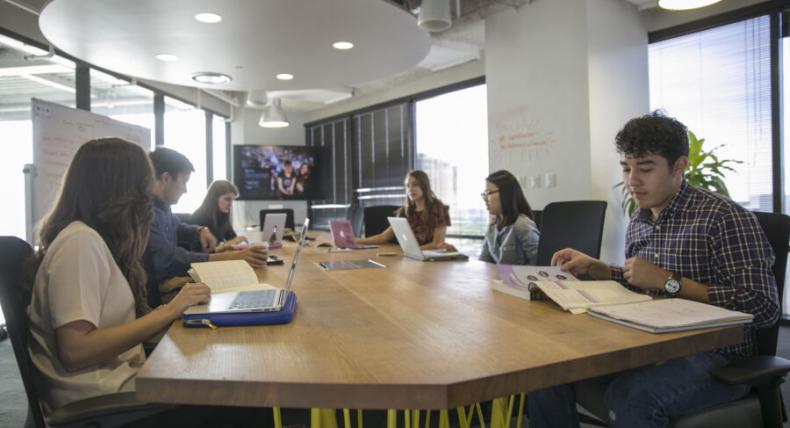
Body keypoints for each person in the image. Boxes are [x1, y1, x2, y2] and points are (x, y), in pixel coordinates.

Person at [527, 111, 779, 428]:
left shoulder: (723, 217)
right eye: (627, 168)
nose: (633, 180)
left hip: (717, 354)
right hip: (648, 343)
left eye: (645, 169)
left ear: (679, 166)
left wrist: (671, 282)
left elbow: (764, 307)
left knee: (631, 397)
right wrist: (602, 269)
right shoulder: (641, 221)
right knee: (544, 373)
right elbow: (643, 283)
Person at [26, 138, 211, 415]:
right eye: (143, 183)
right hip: (102, 403)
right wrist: (169, 310)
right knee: (240, 402)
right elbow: (76, 351)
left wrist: (172, 312)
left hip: (121, 384)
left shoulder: (94, 239)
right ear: (124, 189)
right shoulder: (79, 243)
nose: (148, 195)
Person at [145, 148, 268, 287]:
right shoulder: (145, 212)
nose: (185, 190)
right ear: (166, 178)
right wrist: (231, 257)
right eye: (184, 181)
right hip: (160, 289)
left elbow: (177, 226)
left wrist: (198, 231)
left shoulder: (163, 206)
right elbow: (168, 259)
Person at [354, 170, 456, 251]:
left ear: (424, 186)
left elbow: (437, 243)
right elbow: (383, 237)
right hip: (412, 258)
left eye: (415, 184)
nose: (410, 189)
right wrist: (357, 241)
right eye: (408, 186)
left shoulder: (437, 208)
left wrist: (413, 252)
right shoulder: (406, 211)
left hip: (431, 260)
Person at [479, 170, 540, 265]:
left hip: (521, 279)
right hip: (498, 279)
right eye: (484, 194)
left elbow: (539, 262)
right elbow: (484, 261)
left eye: (488, 193)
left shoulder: (522, 224)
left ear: (505, 193)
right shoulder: (492, 227)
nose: (485, 199)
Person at [191, 180, 247, 253]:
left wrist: (239, 242)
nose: (230, 204)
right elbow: (203, 254)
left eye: (232, 200)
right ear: (214, 199)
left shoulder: (222, 215)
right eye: (227, 199)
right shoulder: (199, 217)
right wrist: (227, 245)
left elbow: (234, 239)